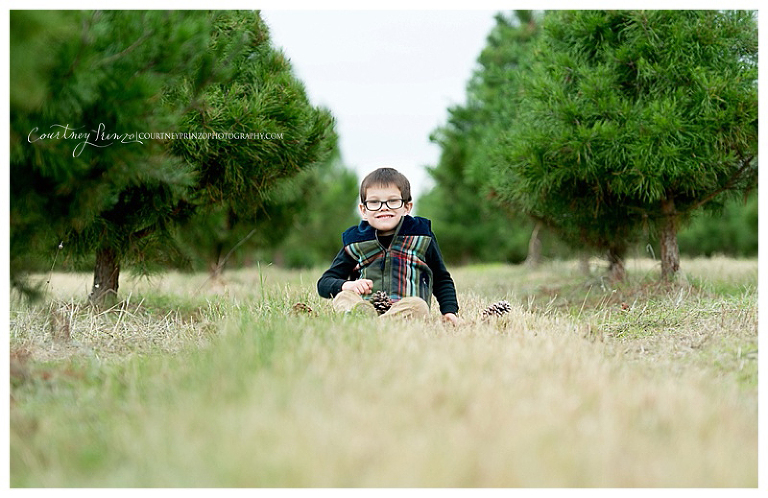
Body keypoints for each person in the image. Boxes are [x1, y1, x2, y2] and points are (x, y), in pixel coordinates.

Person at [317, 167, 459, 325]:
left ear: (407, 207)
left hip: (404, 309)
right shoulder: (355, 242)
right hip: (365, 306)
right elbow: (324, 282)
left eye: (392, 201)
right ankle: (363, 317)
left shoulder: (421, 237)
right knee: (344, 297)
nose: (383, 207)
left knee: (419, 306)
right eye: (374, 202)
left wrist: (450, 311)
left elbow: (441, 279)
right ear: (363, 210)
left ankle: (368, 325)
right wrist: (347, 284)